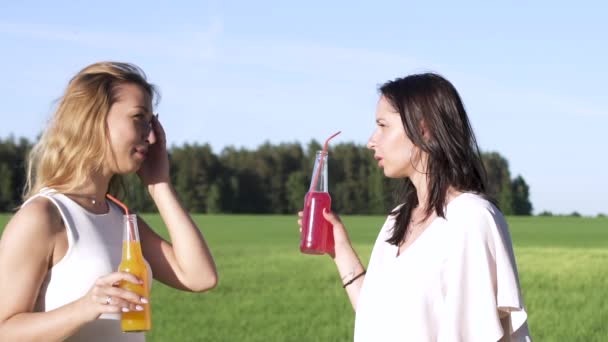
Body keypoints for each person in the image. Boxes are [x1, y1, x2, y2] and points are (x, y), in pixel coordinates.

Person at [298, 73, 531, 341]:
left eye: (383, 126)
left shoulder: (471, 219)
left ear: (423, 129)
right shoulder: (397, 220)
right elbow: (377, 320)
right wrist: (339, 250)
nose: (371, 140)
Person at [0, 62, 218, 341]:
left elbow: (200, 277)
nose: (150, 136)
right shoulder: (44, 216)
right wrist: (85, 307)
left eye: (152, 123)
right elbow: (5, 330)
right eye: (139, 118)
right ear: (93, 118)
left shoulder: (122, 219)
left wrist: (160, 184)